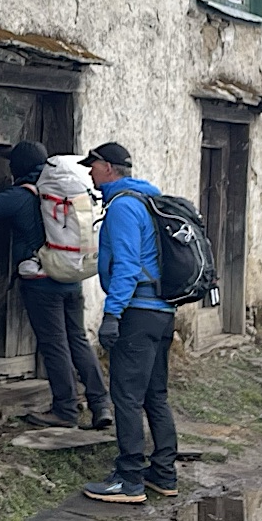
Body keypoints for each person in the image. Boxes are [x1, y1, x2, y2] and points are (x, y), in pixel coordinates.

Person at [0, 140, 110, 431]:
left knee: (54, 345)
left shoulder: (20, 196)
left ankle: (65, 410)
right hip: (71, 276)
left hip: (41, 283)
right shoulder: (59, 193)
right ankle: (100, 404)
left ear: (18, 167)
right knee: (77, 340)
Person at [78, 141, 179, 502]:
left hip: (136, 311)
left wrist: (112, 314)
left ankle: (129, 478)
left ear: (108, 167)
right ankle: (164, 474)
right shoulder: (150, 202)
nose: (89, 172)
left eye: (93, 166)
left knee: (126, 396)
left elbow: (126, 266)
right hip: (163, 312)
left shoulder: (122, 207)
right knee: (156, 396)